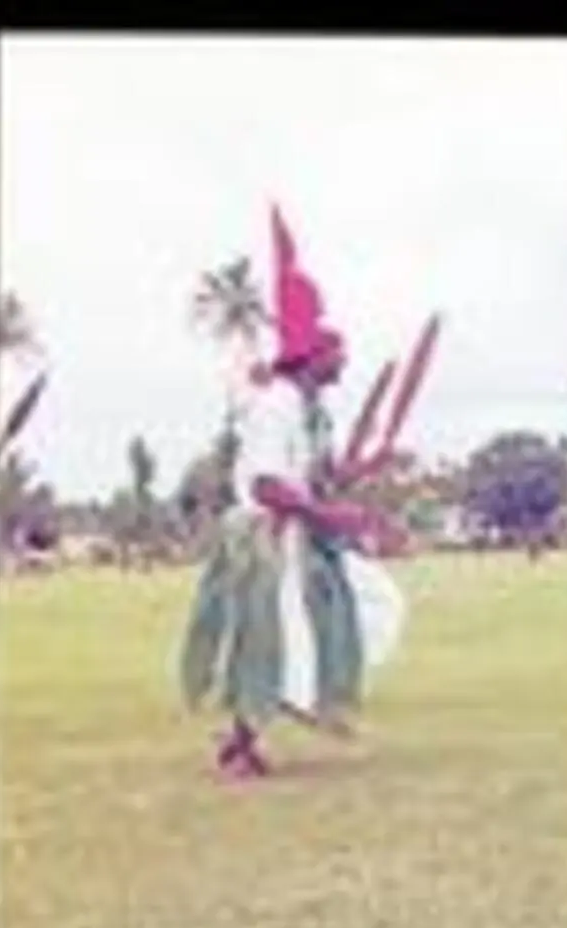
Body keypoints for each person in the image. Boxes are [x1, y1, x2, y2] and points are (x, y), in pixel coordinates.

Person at [178, 211, 416, 779]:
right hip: (267, 538)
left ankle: (296, 707)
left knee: (376, 602)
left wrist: (366, 467)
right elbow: (265, 484)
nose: (345, 360)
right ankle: (241, 744)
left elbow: (322, 480)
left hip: (300, 534)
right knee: (268, 640)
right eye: (338, 351)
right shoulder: (275, 403)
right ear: (313, 357)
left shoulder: (312, 411)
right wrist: (329, 513)